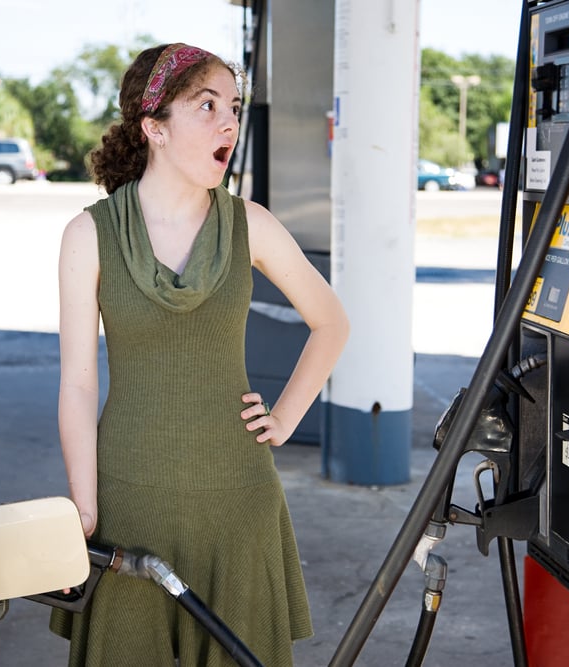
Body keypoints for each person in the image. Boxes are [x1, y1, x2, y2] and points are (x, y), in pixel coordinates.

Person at [51, 43, 350, 666]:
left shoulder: (252, 225)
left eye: (233, 108)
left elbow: (331, 322)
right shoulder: (90, 234)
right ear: (154, 127)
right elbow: (78, 384)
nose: (229, 124)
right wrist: (84, 505)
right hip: (130, 499)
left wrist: (286, 418)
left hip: (237, 502)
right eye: (206, 105)